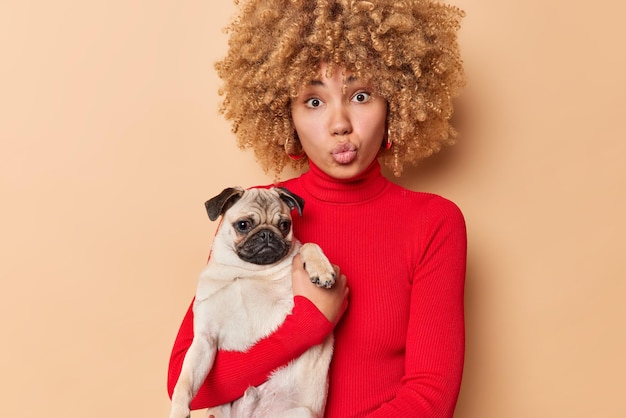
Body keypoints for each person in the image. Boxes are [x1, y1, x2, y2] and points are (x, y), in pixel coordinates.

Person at [168, 0, 467, 416]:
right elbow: (190, 390)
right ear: (284, 114)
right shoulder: (255, 214)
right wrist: (308, 324)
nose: (339, 123)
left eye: (360, 95)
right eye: (313, 101)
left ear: (396, 104)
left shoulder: (433, 222)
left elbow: (430, 397)